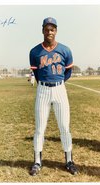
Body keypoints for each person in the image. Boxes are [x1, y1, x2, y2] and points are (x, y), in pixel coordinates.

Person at [29, 17, 78, 176]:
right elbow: (36, 72)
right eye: (47, 29)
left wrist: (59, 82)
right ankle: (37, 161)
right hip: (42, 90)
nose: (49, 32)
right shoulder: (35, 51)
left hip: (60, 90)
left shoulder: (65, 50)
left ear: (56, 31)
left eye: (52, 29)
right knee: (39, 129)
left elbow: (68, 71)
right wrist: (45, 82)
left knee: (64, 127)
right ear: (42, 30)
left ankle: (69, 160)